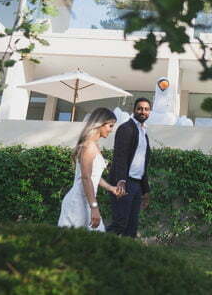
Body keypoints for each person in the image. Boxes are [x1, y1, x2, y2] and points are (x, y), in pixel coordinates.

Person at [58, 107, 124, 231]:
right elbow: (86, 177)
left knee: (92, 245)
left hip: (88, 201)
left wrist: (111, 188)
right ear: (100, 124)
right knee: (70, 245)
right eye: (110, 126)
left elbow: (93, 176)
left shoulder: (94, 146)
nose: (111, 130)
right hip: (77, 203)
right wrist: (94, 207)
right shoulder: (89, 146)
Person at [107, 96, 152, 237]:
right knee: (120, 223)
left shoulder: (143, 132)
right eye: (139, 108)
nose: (142, 112)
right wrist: (121, 181)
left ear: (150, 112)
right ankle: (95, 245)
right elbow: (120, 157)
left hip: (136, 185)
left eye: (146, 109)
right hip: (124, 183)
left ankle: (126, 256)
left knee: (132, 227)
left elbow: (142, 163)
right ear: (134, 110)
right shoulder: (126, 128)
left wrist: (145, 190)